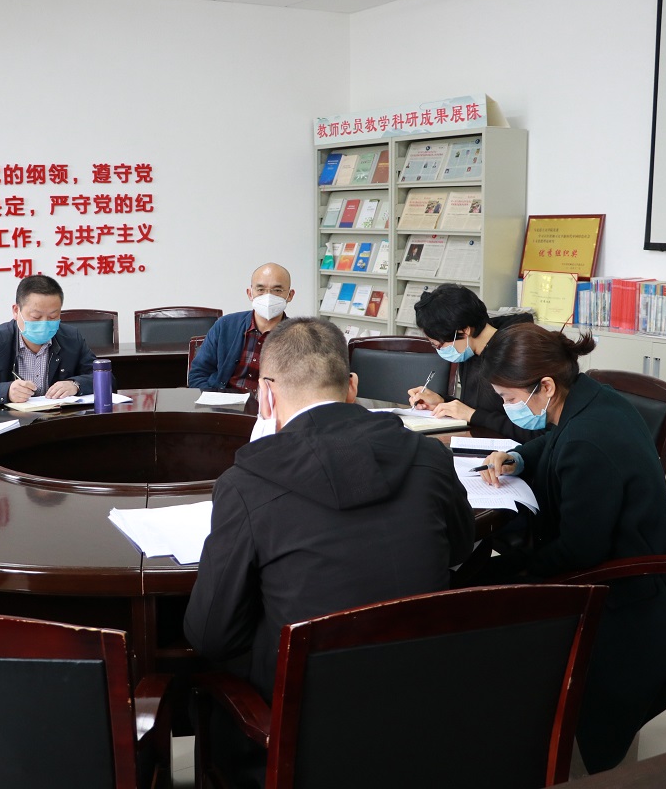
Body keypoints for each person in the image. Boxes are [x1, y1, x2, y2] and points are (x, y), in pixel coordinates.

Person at [185, 318, 474, 783]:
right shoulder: (429, 455)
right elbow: (459, 548)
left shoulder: (247, 483)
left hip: (304, 730)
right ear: (352, 386)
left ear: (266, 394)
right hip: (426, 702)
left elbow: (212, 636)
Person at [475, 323, 666, 773]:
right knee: (493, 572)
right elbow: (553, 440)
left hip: (627, 596)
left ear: (545, 386)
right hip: (633, 564)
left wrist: (517, 571)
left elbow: (579, 553)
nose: (505, 407)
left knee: (480, 590)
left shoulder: (588, 443)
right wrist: (516, 458)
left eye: (508, 397)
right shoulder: (593, 397)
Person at [408, 283, 541, 442]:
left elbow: (536, 433)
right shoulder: (470, 350)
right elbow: (482, 411)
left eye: (439, 345)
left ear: (464, 331)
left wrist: (471, 415)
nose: (440, 351)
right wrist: (443, 403)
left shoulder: (518, 356)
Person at [0, 274, 98, 404]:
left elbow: (102, 376)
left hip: (58, 419)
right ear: (16, 311)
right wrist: (6, 391)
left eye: (53, 317)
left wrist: (75, 385)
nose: (44, 323)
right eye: (36, 317)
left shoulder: (71, 338)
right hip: (11, 420)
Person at [188, 263, 294, 391]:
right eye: (260, 289)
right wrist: (215, 399)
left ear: (290, 295)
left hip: (272, 403)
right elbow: (198, 375)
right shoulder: (225, 325)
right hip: (224, 401)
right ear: (250, 293)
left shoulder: (300, 337)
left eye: (277, 290)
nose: (268, 296)